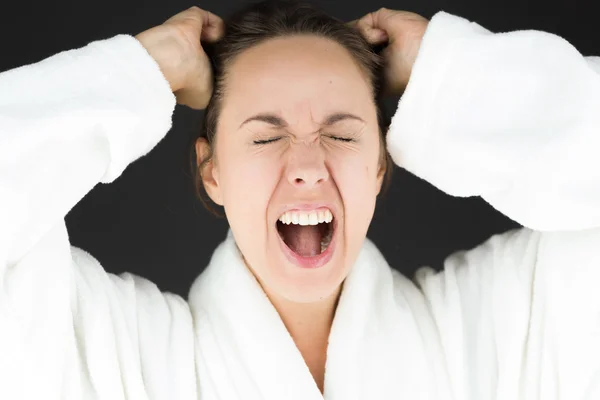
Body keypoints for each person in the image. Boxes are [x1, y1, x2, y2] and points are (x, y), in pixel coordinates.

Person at [1, 0, 599, 398]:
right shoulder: (112, 356)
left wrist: (456, 80)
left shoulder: (505, 324)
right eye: (265, 137)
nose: (308, 166)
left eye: (341, 135)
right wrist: (142, 72)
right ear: (212, 171)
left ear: (380, 167)